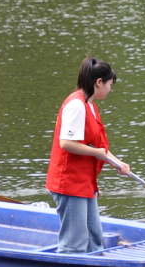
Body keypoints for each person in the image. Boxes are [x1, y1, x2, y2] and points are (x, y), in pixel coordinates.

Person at [46, 57, 131, 253]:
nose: (110, 89)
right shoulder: (76, 105)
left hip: (85, 182)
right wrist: (97, 153)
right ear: (98, 82)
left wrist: (118, 163)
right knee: (75, 242)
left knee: (94, 237)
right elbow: (66, 143)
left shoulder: (90, 105)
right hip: (69, 183)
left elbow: (99, 147)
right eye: (110, 84)